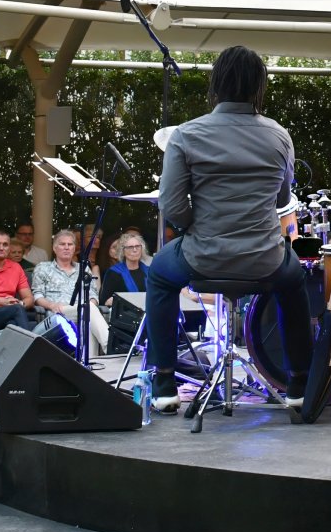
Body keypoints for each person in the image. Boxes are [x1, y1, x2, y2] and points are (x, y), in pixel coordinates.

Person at [146, 46, 311, 413]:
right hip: (264, 260)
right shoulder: (279, 136)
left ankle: (164, 382)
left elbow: (171, 206)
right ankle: (299, 381)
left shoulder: (187, 135)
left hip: (203, 258)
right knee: (295, 280)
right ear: (259, 87)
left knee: (159, 274)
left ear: (215, 84)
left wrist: (198, 229)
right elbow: (282, 196)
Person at [31, 229, 107, 354]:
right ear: (54, 248)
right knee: (89, 310)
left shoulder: (83, 269)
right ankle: (109, 346)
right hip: (58, 313)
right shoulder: (43, 268)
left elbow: (93, 294)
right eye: (62, 244)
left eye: (70, 244)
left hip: (83, 311)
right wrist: (52, 305)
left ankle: (88, 365)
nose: (66, 247)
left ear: (74, 248)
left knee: (87, 313)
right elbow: (37, 295)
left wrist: (89, 305)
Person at [98, 231, 150, 305]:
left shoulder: (149, 271)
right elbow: (104, 301)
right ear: (123, 251)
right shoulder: (114, 273)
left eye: (138, 246)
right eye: (130, 247)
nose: (135, 250)